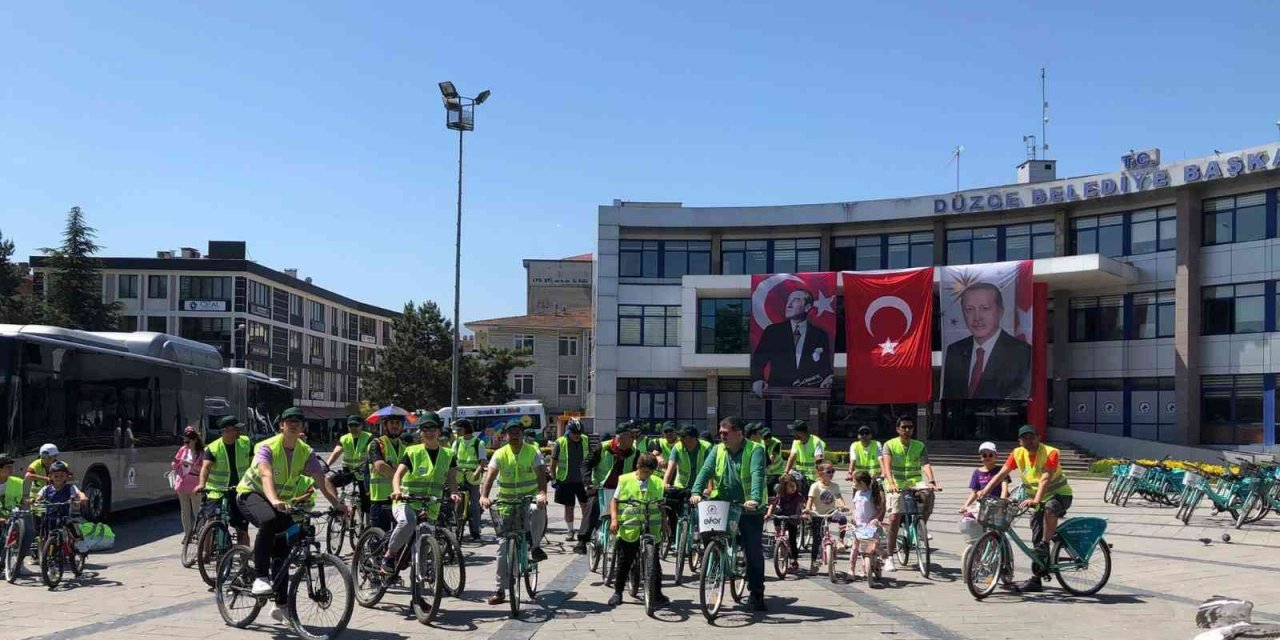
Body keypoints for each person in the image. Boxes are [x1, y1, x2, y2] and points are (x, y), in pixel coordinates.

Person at [236, 407, 347, 623]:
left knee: (285, 548)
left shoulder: (305, 451)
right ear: (281, 425)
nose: (293, 424)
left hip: (280, 503)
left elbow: (320, 479)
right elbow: (266, 474)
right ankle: (260, 577)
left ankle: (281, 605)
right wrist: (275, 500)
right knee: (268, 521)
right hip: (252, 494)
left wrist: (337, 504)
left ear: (303, 426)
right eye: (289, 421)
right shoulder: (266, 447)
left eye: (298, 421)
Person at [977, 425, 1074, 593]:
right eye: (1025, 438)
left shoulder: (1051, 452)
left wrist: (1036, 500)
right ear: (1019, 441)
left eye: (1032, 437)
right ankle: (1037, 579)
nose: (1029, 441)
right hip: (1035, 499)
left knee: (1050, 509)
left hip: (1060, 495)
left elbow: (1045, 478)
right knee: (1036, 532)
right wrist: (985, 491)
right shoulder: (1017, 453)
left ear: (1038, 437)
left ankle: (1046, 543)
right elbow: (1001, 474)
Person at [690, 416, 768, 612]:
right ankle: (715, 561)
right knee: (709, 534)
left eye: (725, 433)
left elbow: (757, 474)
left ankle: (757, 593)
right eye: (720, 432)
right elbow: (705, 471)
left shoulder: (756, 450)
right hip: (723, 503)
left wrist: (755, 498)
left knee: (753, 550)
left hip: (749, 507)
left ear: (739, 433)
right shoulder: (717, 449)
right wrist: (696, 491)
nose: (721, 436)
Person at [479, 419, 549, 606]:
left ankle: (535, 546)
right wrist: (484, 496)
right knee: (502, 547)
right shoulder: (500, 454)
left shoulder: (533, 451)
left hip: (529, 499)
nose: (514, 435)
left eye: (518, 431)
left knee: (538, 508)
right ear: (505, 435)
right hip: (507, 503)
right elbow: (490, 475)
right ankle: (500, 589)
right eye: (511, 432)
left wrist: (542, 493)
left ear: (522, 433)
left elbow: (541, 473)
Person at [385, 412, 459, 573]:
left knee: (425, 543)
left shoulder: (448, 454)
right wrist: (397, 491)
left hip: (431, 503)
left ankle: (421, 579)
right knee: (408, 522)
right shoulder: (412, 451)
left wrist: (454, 493)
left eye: (433, 428)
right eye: (425, 429)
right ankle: (389, 556)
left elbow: (452, 478)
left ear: (439, 431)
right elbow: (397, 475)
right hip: (406, 501)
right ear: (420, 432)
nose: (429, 432)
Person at [942, 282, 1031, 400]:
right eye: (969, 309)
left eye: (984, 308)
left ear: (1000, 312)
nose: (977, 317)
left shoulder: (1021, 352)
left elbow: (1020, 395)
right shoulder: (955, 350)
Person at [607, 453, 670, 608]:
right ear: (638, 467)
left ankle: (657, 593)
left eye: (650, 472)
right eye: (645, 471)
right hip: (630, 526)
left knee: (654, 561)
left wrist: (664, 522)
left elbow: (661, 505)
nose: (647, 475)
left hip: (651, 527)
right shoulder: (625, 480)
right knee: (625, 560)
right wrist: (614, 520)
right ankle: (618, 592)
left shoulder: (657, 482)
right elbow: (614, 501)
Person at [750, 288, 835, 397]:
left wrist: (827, 378)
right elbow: (758, 360)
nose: (788, 304)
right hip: (777, 393)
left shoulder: (819, 334)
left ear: (807, 307)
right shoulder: (773, 331)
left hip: (807, 394)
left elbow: (824, 367)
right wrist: (757, 379)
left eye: (795, 300)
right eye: (788, 300)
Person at [880, 417, 939, 572]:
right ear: (898, 429)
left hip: (914, 482)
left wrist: (931, 480)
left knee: (929, 494)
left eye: (910, 427)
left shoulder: (919, 446)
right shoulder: (890, 445)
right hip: (896, 484)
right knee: (894, 517)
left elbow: (925, 464)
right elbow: (886, 467)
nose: (907, 430)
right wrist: (891, 483)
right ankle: (889, 557)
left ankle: (920, 525)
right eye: (904, 427)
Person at [575, 422, 641, 554]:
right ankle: (582, 541)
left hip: (622, 490)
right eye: (631, 436)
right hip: (601, 488)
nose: (634, 439)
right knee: (593, 506)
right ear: (620, 438)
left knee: (634, 510)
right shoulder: (603, 448)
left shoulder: (635, 452)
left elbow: (638, 473)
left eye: (634, 436)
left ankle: (631, 543)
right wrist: (588, 483)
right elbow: (585, 465)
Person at [195, 416, 252, 546]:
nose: (240, 432)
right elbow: (205, 468)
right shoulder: (213, 448)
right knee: (211, 521)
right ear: (226, 431)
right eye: (237, 429)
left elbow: (254, 464)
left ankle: (244, 556)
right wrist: (201, 484)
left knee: (242, 528)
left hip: (239, 490)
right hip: (217, 491)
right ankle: (205, 553)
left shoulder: (245, 442)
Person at [368, 414, 414, 532]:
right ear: (385, 426)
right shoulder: (377, 443)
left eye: (398, 423)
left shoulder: (405, 448)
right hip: (381, 499)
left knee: (401, 537)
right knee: (380, 537)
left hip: (400, 498)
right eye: (392, 423)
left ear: (402, 427)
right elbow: (380, 467)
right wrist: (399, 475)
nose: (395, 426)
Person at [324, 415, 373, 521]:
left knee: (367, 502)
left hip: (363, 473)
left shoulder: (369, 437)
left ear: (361, 426)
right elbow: (336, 452)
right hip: (348, 472)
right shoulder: (344, 438)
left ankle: (368, 527)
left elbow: (372, 453)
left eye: (356, 425)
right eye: (350, 425)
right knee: (328, 481)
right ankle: (338, 505)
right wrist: (327, 465)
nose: (353, 428)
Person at [549, 419, 590, 543]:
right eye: (574, 433)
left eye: (579, 432)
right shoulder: (560, 442)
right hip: (566, 480)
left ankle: (585, 531)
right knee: (569, 507)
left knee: (586, 507)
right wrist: (553, 479)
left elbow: (590, 459)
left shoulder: (585, 440)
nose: (577, 435)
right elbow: (553, 463)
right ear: (568, 432)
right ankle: (570, 531)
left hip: (582, 481)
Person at [803, 461, 848, 573]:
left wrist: (843, 505)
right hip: (818, 514)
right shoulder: (815, 486)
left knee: (842, 518)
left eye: (833, 471)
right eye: (829, 472)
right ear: (819, 473)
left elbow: (838, 497)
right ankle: (813, 564)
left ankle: (841, 541)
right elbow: (810, 499)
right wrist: (808, 509)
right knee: (816, 540)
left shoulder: (835, 486)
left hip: (831, 512)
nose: (831, 474)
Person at [450, 419, 487, 541]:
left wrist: (477, 472)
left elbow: (482, 462)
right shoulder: (457, 443)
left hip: (473, 478)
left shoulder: (478, 443)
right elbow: (452, 459)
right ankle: (457, 529)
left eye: (459, 429)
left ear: (465, 429)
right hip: (460, 477)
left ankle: (475, 531)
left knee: (474, 506)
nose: (457, 432)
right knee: (458, 505)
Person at [848, 470, 886, 586]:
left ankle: (880, 558)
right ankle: (851, 569)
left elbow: (880, 509)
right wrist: (853, 518)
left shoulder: (872, 494)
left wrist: (875, 519)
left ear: (863, 483)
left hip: (870, 525)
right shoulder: (857, 493)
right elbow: (855, 507)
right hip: (858, 525)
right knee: (855, 547)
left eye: (855, 482)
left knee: (874, 545)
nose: (853, 484)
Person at [764, 471, 803, 574]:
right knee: (777, 516)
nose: (793, 488)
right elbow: (773, 505)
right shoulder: (780, 495)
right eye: (790, 487)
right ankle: (778, 534)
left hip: (792, 518)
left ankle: (794, 561)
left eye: (794, 486)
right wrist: (768, 514)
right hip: (782, 516)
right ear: (784, 487)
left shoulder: (798, 496)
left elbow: (801, 506)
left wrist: (802, 514)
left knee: (793, 540)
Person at [0, 455, 34, 573]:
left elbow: (21, 500)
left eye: (12, 467)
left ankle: (19, 563)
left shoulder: (17, 482)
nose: (11, 470)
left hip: (12, 514)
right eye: (8, 467)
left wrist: (29, 502)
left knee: (28, 530)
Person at [172, 426, 205, 542]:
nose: (186, 443)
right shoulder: (183, 450)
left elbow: (203, 469)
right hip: (182, 482)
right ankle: (187, 534)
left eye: (188, 441)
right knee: (184, 510)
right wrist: (177, 463)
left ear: (195, 440)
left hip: (195, 484)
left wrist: (190, 464)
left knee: (197, 510)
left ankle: (200, 533)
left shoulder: (201, 452)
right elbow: (174, 463)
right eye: (185, 441)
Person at [782, 420, 826, 490]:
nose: (793, 434)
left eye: (794, 432)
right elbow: (792, 457)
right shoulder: (796, 442)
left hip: (813, 479)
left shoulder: (816, 441)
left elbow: (819, 461)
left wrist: (821, 477)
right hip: (800, 478)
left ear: (800, 432)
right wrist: (786, 472)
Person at [762, 427, 786, 496]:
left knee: (772, 489)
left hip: (776, 471)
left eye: (769, 438)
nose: (767, 440)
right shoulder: (761, 442)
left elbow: (772, 458)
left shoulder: (776, 443)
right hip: (767, 472)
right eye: (765, 438)